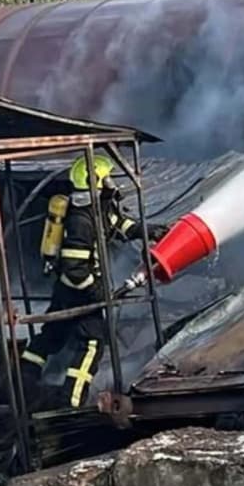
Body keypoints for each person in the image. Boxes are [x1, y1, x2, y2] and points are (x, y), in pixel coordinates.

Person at [21, 157, 168, 413]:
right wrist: (98, 294)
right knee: (91, 344)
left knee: (52, 337)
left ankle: (22, 382)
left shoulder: (96, 209)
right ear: (95, 182)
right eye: (107, 178)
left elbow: (120, 225)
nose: (112, 184)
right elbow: (75, 269)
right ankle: (72, 402)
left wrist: (150, 230)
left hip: (68, 290)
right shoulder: (81, 219)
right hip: (79, 291)